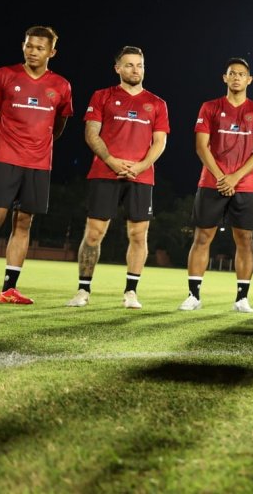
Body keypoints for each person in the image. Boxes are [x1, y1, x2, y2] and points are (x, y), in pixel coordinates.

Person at [67, 46, 169, 309]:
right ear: (118, 69)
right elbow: (92, 133)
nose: (135, 70)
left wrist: (141, 166)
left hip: (141, 176)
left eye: (140, 65)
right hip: (104, 172)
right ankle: (83, 291)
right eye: (129, 65)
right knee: (94, 233)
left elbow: (160, 142)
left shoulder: (157, 103)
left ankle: (131, 292)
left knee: (138, 235)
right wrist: (112, 161)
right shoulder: (102, 96)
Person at [179, 58, 253, 313]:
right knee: (202, 237)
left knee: (245, 240)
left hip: (245, 185)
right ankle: (193, 296)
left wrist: (234, 178)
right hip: (211, 182)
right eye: (232, 73)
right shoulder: (209, 107)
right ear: (225, 78)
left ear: (249, 80)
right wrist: (222, 176)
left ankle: (242, 299)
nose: (237, 78)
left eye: (242, 74)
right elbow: (201, 147)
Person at [0, 26, 72, 305]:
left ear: (52, 52)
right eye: (28, 46)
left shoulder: (61, 85)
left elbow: (58, 125)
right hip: (3, 157)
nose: (32, 51)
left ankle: (9, 289)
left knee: (24, 222)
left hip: (38, 163)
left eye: (39, 47)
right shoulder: (3, 75)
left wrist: (38, 144)